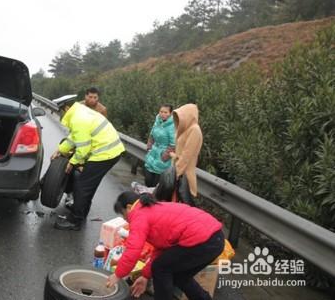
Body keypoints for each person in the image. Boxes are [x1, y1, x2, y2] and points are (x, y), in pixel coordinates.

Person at [106, 191, 224, 300]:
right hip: (215, 239)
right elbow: (163, 250)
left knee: (161, 268)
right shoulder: (152, 209)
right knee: (180, 276)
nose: (125, 219)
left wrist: (118, 274)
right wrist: (145, 276)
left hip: (203, 240)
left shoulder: (139, 215)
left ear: (128, 207)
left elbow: (133, 250)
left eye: (123, 215)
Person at [51, 94, 125, 231]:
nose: (60, 113)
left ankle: (75, 221)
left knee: (82, 185)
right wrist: (60, 150)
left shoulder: (78, 119)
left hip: (105, 154)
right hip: (111, 151)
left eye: (61, 110)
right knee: (87, 184)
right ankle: (81, 212)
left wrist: (72, 163)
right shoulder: (80, 112)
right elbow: (74, 138)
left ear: (66, 108)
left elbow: (83, 149)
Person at [168, 103, 203, 206]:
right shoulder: (186, 129)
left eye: (182, 116)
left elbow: (187, 155)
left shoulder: (194, 130)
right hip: (179, 171)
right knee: (176, 205)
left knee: (184, 204)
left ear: (189, 115)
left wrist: (176, 173)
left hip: (185, 174)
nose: (179, 119)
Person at [144, 104, 176, 187]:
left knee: (155, 185)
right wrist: (149, 147)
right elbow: (151, 135)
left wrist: (164, 157)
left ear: (171, 113)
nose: (163, 114)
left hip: (163, 156)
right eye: (161, 111)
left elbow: (173, 144)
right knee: (147, 180)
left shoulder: (173, 125)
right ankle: (146, 197)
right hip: (153, 153)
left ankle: (152, 198)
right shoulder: (157, 121)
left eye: (166, 112)